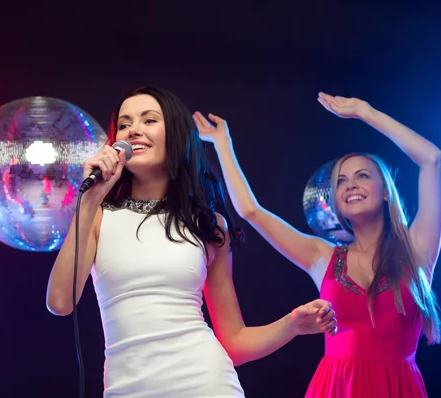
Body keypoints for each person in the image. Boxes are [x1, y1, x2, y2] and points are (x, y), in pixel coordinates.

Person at [46, 87, 338, 397]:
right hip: (126, 389)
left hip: (205, 384)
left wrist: (291, 324)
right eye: (125, 123)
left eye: (149, 120)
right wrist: (90, 199)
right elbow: (60, 303)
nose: (133, 130)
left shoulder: (209, 225)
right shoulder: (98, 215)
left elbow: (234, 342)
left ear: (175, 134)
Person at [193, 91, 441, 397]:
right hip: (335, 388)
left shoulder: (417, 250)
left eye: (362, 176)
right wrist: (223, 144)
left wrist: (365, 112)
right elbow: (250, 210)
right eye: (341, 180)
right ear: (336, 201)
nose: (350, 183)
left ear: (386, 191)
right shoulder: (321, 255)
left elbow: (432, 160)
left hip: (398, 388)